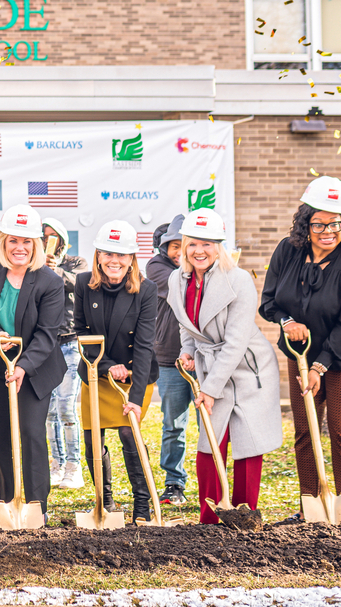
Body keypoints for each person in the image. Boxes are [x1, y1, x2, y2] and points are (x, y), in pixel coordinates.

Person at [260, 176, 341, 520]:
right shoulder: (287, 251)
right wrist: (287, 322)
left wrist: (319, 368)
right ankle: (309, 507)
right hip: (300, 355)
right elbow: (269, 303)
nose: (328, 230)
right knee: (305, 431)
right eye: (319, 223)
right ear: (305, 222)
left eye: (336, 222)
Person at [168, 209, 282, 524]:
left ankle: (245, 515)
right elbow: (185, 323)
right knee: (209, 443)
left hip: (248, 369)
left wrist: (209, 389)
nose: (199, 251)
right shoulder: (177, 279)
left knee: (247, 443)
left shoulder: (239, 280)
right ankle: (209, 517)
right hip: (209, 365)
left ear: (220, 246)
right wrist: (188, 349)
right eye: (192, 244)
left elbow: (235, 343)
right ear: (184, 245)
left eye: (208, 244)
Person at [0, 205, 66, 514]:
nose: (19, 248)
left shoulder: (49, 281)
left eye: (26, 242)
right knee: (1, 435)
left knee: (31, 433)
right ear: (2, 242)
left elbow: (48, 334)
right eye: (13, 241)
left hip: (35, 369)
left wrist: (23, 366)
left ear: (36, 244)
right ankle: (10, 503)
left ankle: (36, 506)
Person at [73, 220, 159, 523]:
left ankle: (141, 505)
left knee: (128, 432)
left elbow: (146, 344)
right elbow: (81, 333)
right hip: (97, 371)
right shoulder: (83, 283)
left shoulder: (147, 290)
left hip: (136, 375)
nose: (114, 261)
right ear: (98, 255)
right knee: (92, 437)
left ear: (132, 258)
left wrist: (135, 396)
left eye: (122, 255)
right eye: (108, 254)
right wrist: (108, 366)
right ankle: (104, 503)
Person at [146, 214, 191, 506]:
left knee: (212, 422)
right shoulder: (156, 267)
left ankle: (215, 483)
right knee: (174, 424)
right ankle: (174, 483)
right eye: (175, 245)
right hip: (170, 357)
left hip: (206, 356)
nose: (180, 252)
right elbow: (180, 291)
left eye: (186, 245)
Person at [42, 216, 86, 490]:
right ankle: (56, 466)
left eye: (52, 236)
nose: (48, 241)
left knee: (66, 405)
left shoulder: (75, 263)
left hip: (70, 342)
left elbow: (78, 285)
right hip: (46, 344)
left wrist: (55, 269)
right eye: (43, 236)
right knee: (48, 411)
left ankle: (74, 466)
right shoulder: (35, 267)